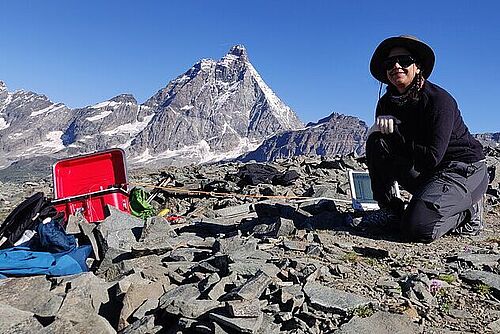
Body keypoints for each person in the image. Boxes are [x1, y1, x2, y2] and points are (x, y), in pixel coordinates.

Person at [365, 35, 488, 242]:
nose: (396, 66)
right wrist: (376, 132)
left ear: (418, 67)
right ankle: (389, 209)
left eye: (404, 61)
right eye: (390, 63)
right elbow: (389, 148)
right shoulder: (386, 103)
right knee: (377, 142)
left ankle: (468, 212)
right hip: (429, 173)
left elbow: (432, 157)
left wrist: (396, 133)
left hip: (462, 169)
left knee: (417, 229)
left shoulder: (439, 101)